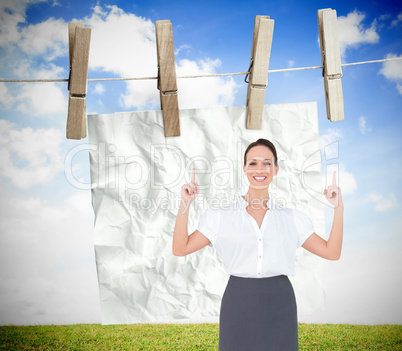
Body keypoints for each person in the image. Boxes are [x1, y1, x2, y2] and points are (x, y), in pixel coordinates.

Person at [172, 138, 344, 351]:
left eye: (267, 163)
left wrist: (338, 208)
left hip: (280, 301)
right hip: (238, 301)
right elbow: (180, 248)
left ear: (276, 169)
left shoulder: (293, 219)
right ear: (244, 169)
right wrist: (185, 204)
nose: (259, 169)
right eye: (253, 163)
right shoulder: (220, 217)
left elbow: (332, 252)